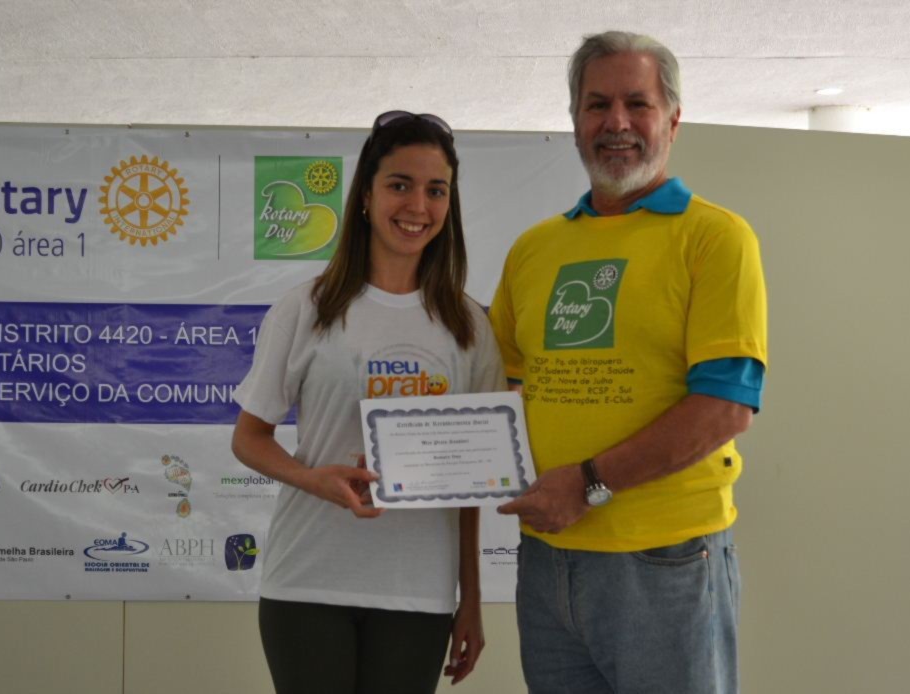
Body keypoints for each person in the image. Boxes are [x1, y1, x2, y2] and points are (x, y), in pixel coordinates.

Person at [489, 32, 768, 694]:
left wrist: (585, 483)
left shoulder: (715, 237)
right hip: (547, 559)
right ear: (575, 122)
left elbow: (726, 407)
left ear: (672, 120)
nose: (616, 122)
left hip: (665, 560)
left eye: (637, 103)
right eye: (597, 105)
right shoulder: (534, 249)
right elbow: (502, 383)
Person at [232, 111, 504, 694]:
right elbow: (248, 438)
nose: (418, 206)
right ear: (365, 196)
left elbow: (469, 482)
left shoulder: (469, 326)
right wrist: (314, 480)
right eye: (400, 184)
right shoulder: (307, 308)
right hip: (308, 581)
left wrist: (472, 598)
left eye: (436, 190)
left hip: (418, 591)